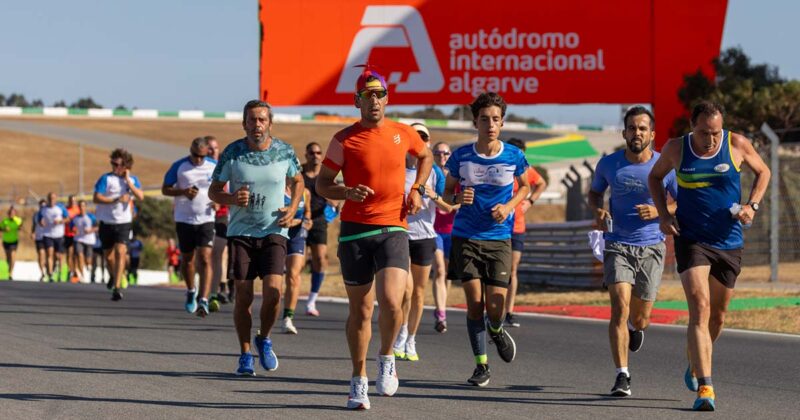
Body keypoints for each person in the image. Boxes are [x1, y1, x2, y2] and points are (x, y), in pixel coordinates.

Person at [316, 66, 433, 410]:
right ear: (357, 101)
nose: (374, 101)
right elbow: (323, 183)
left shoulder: (402, 133)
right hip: (355, 232)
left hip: (393, 228)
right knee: (361, 310)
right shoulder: (344, 139)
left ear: (387, 98)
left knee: (393, 301)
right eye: (367, 96)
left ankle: (386, 358)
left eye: (379, 94)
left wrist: (418, 188)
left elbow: (424, 156)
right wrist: (346, 191)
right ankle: (358, 379)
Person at [648, 101, 770, 411]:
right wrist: (664, 215)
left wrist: (751, 206)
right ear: (692, 127)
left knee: (718, 315)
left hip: (729, 241)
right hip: (692, 240)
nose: (711, 139)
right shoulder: (676, 148)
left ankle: (694, 362)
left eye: (715, 132)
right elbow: (655, 178)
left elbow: (764, 172)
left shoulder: (736, 144)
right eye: (704, 133)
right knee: (700, 308)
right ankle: (705, 387)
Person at [209, 99, 304, 377]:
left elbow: (298, 181)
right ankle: (245, 353)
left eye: (262, 120)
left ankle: (265, 337)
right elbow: (213, 191)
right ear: (244, 124)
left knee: (274, 293)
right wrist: (229, 198)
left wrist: (293, 206)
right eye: (252, 120)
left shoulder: (284, 151)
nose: (257, 125)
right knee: (244, 296)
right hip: (241, 233)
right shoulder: (232, 153)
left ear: (270, 124)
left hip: (274, 229)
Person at [588, 106, 678, 397]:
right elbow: (594, 192)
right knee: (618, 308)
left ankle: (636, 329)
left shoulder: (664, 166)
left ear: (652, 134)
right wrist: (598, 208)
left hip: (652, 246)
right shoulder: (609, 164)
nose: (636, 133)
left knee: (640, 318)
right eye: (631, 128)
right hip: (617, 244)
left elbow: (682, 202)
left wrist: (658, 210)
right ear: (624, 132)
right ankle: (622, 375)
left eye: (642, 128)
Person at [443, 92, 530, 387]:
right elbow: (447, 193)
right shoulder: (461, 156)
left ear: (502, 123)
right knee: (474, 303)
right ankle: (481, 365)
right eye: (484, 119)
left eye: (495, 119)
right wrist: (458, 197)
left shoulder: (514, 156)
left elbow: (526, 187)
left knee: (495, 306)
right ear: (475, 122)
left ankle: (496, 328)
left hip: (499, 238)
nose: (490, 124)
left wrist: (508, 207)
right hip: (466, 236)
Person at [392, 123, 455, 362]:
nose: (419, 140)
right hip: (400, 236)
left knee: (418, 293)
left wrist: (431, 194)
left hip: (425, 237)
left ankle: (410, 338)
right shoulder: (396, 169)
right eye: (414, 136)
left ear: (428, 142)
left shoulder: (435, 173)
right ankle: (401, 333)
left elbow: (447, 207)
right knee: (405, 290)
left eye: (424, 137)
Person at [162, 136, 217, 316]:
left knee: (206, 258)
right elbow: (165, 189)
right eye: (195, 155)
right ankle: (191, 289)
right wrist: (183, 192)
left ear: (206, 153)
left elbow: (224, 189)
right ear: (190, 151)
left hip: (206, 218)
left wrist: (219, 202)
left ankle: (204, 299)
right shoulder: (179, 166)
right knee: (188, 259)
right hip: (184, 218)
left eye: (202, 156)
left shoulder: (214, 166)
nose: (198, 160)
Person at [504, 138, 548, 327]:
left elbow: (541, 183)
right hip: (498, 226)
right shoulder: (502, 168)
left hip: (518, 227)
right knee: (497, 271)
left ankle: (509, 312)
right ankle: (492, 309)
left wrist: (530, 201)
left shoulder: (526, 170)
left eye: (521, 153)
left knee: (512, 270)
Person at [93, 148, 144, 301]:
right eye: (113, 163)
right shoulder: (106, 179)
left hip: (124, 222)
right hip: (106, 222)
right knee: (108, 257)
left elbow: (140, 196)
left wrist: (128, 181)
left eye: (118, 164)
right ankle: (114, 276)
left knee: (120, 252)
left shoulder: (133, 180)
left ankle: (117, 287)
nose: (114, 167)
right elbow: (96, 198)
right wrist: (115, 200)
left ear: (126, 166)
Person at [301, 141, 334, 316]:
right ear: (306, 155)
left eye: (318, 152)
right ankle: (289, 296)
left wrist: (334, 204)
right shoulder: (299, 174)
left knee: (320, 259)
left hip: (319, 219)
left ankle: (311, 301)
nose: (316, 156)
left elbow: (335, 197)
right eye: (312, 153)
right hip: (300, 220)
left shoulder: (325, 175)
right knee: (296, 264)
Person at [431, 141, 458, 332]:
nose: (442, 157)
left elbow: (463, 201)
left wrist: (448, 205)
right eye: (438, 153)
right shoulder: (429, 175)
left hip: (452, 230)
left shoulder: (457, 178)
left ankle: (442, 309)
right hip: (433, 230)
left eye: (446, 153)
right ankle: (441, 313)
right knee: (440, 270)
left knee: (447, 273)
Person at [281, 185, 312, 334]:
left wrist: (307, 220)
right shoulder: (276, 188)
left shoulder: (305, 192)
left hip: (297, 235)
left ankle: (288, 318)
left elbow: (307, 211)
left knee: (293, 275)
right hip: (278, 231)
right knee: (274, 278)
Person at [206, 136, 232, 306]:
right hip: (205, 217)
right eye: (209, 148)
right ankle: (215, 289)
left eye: (215, 148)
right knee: (212, 255)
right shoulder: (204, 167)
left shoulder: (225, 167)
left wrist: (220, 201)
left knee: (222, 254)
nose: (212, 151)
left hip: (224, 216)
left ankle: (222, 288)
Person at [40, 192, 69, 282]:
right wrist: (41, 222)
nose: (51, 200)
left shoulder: (60, 208)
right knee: (49, 254)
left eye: (53, 198)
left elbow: (67, 219)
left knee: (58, 256)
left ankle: (60, 273)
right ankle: (51, 274)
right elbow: (39, 220)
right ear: (48, 199)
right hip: (48, 234)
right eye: (50, 198)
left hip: (59, 235)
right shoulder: (43, 209)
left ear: (56, 199)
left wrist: (60, 221)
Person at [71, 200, 98, 283]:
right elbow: (72, 227)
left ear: (85, 207)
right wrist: (74, 230)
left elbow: (97, 227)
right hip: (78, 239)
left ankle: (88, 265)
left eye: (83, 206)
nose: (81, 208)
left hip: (89, 240)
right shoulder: (75, 218)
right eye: (80, 206)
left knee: (88, 259)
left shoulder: (91, 217)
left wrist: (90, 230)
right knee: (79, 255)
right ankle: (82, 275)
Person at [1, 206, 23, 280]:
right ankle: (9, 266)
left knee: (12, 255)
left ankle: (10, 273)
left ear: (15, 214)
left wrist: (20, 227)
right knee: (8, 258)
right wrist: (4, 229)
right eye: (10, 213)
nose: (11, 214)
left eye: (13, 213)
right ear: (8, 214)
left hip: (14, 241)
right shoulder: (5, 221)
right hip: (6, 241)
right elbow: (0, 228)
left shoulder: (17, 220)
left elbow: (21, 225)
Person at [63, 195, 80, 281]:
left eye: (74, 201)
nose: (72, 202)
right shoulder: (65, 210)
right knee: (69, 253)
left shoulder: (78, 209)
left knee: (76, 254)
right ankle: (70, 270)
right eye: (71, 201)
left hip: (77, 235)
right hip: (67, 234)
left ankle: (76, 270)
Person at [32, 199, 48, 281]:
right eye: (41, 206)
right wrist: (33, 233)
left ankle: (49, 269)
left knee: (48, 255)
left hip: (48, 236)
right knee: (41, 254)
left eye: (44, 206)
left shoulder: (48, 214)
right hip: (39, 237)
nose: (42, 207)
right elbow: (34, 225)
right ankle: (42, 273)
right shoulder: (36, 215)